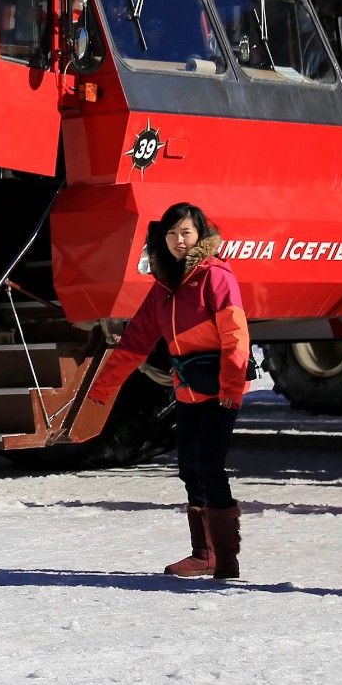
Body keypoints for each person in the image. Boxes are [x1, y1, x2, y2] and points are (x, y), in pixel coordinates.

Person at [86, 203, 250, 580]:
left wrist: (231, 385)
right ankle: (203, 554)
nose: (179, 240)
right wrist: (104, 387)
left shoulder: (216, 277)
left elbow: (236, 335)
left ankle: (226, 559)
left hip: (221, 387)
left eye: (187, 233)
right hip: (188, 389)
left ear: (201, 236)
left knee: (210, 464)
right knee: (190, 467)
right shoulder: (163, 286)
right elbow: (135, 340)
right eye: (172, 233)